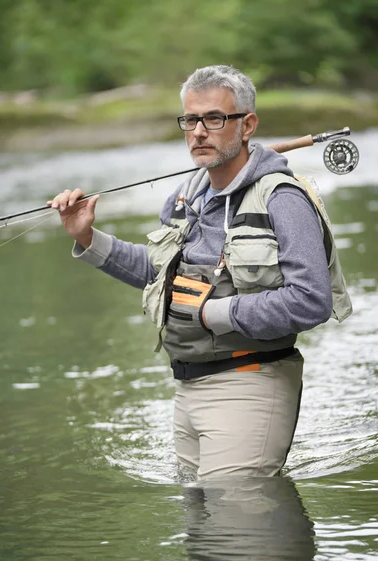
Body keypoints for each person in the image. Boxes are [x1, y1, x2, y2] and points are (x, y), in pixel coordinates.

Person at [49, 65, 352, 480]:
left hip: (251, 382)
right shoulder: (185, 195)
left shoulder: (284, 199)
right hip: (186, 388)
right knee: (202, 531)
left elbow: (312, 300)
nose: (198, 132)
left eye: (214, 118)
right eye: (190, 120)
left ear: (247, 125)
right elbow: (161, 274)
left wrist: (214, 312)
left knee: (237, 524)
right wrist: (88, 238)